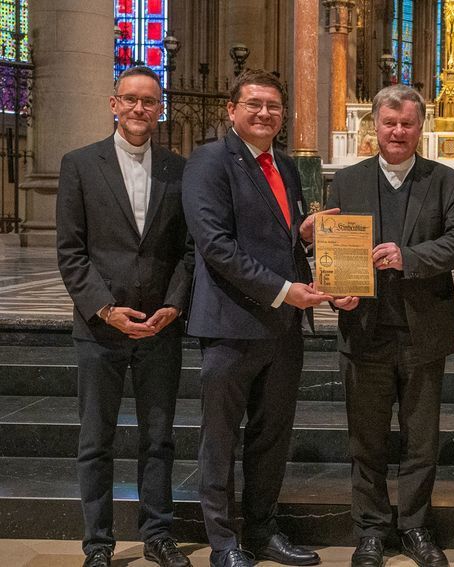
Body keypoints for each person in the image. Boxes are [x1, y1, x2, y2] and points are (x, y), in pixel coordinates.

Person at [299, 84, 454, 567]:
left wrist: (408, 256)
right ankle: (372, 530)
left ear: (422, 127)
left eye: (408, 124)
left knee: (421, 443)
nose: (398, 132)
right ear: (373, 125)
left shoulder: (445, 181)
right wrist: (336, 292)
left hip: (423, 332)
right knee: (367, 441)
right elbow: (329, 253)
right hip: (364, 331)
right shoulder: (346, 183)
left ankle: (416, 528)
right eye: (389, 123)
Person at [182, 69, 334, 567]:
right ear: (232, 110)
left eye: (273, 105)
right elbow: (217, 247)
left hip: (281, 328)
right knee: (221, 439)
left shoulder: (286, 166)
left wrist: (308, 237)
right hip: (229, 324)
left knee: (272, 438)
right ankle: (224, 543)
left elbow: (280, 239)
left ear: (283, 115)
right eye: (254, 104)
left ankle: (265, 532)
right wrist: (286, 290)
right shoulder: (208, 161)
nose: (264, 113)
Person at [56, 65, 193, 567]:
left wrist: (174, 306)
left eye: (150, 101)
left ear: (160, 109)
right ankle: (98, 543)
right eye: (131, 99)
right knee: (96, 441)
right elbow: (71, 251)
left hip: (160, 327)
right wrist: (107, 310)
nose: (140, 108)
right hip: (100, 328)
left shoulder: (179, 169)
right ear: (114, 104)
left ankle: (158, 536)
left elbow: (188, 250)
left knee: (159, 438)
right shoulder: (79, 164)